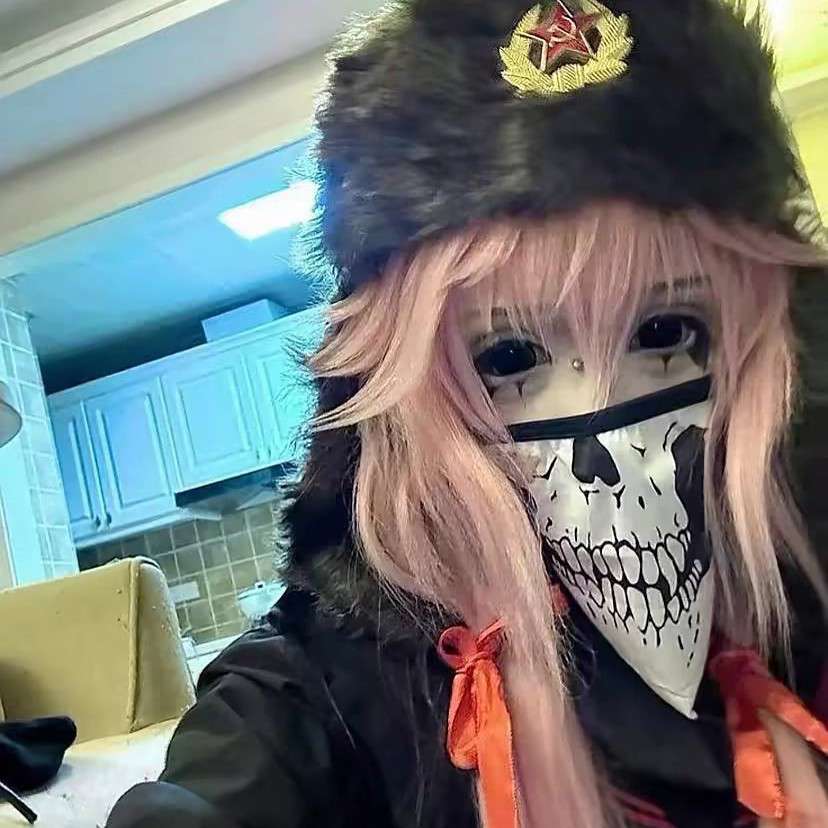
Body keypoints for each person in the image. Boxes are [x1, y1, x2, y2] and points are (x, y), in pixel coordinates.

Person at [107, 1, 828, 826]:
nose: (605, 437)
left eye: (664, 333)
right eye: (511, 358)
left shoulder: (806, 577)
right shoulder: (331, 679)